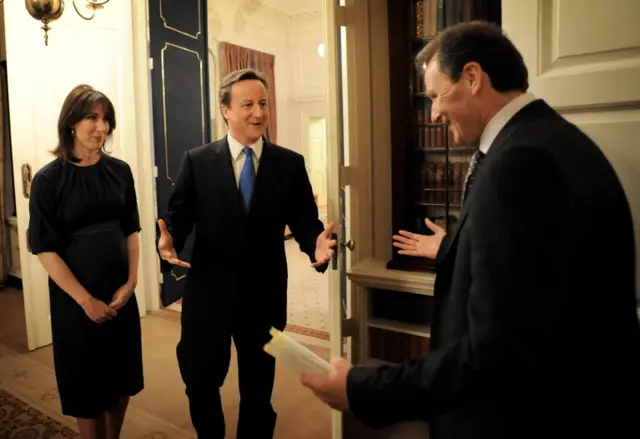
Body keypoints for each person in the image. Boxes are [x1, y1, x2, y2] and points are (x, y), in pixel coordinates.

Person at [301, 20, 640, 438]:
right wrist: (456, 248)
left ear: (474, 77)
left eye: (435, 95)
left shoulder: (522, 164)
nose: (434, 113)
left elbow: (496, 350)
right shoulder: (546, 139)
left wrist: (362, 388)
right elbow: (536, 278)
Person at [157, 68, 336, 439]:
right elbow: (179, 217)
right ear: (226, 110)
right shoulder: (197, 160)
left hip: (264, 296)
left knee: (258, 391)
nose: (259, 113)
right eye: (248, 105)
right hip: (208, 295)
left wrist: (316, 243)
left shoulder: (289, 164)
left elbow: (305, 221)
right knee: (200, 380)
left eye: (263, 104)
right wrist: (169, 240)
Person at [28, 84, 143, 439]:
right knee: (86, 383)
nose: (101, 127)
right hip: (76, 302)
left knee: (121, 377)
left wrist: (132, 282)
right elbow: (45, 249)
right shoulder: (48, 180)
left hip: (119, 294)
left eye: (106, 119)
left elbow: (132, 231)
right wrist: (85, 301)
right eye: (92, 117)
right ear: (71, 123)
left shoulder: (120, 171)